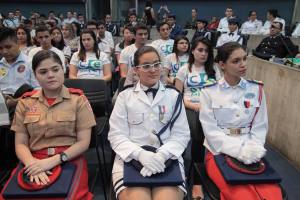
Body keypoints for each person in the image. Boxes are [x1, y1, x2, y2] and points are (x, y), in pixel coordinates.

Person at [0, 50, 96, 200]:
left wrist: (53, 161)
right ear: (35, 75)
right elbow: (20, 143)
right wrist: (33, 165)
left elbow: (84, 142)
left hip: (69, 158)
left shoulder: (78, 100)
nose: (50, 75)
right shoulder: (25, 102)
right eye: (43, 72)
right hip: (33, 160)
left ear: (63, 69)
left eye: (55, 69)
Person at [199, 42, 283, 200]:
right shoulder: (209, 91)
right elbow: (211, 132)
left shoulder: (256, 89)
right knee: (242, 195)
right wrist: (238, 150)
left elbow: (260, 125)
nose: (243, 64)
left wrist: (253, 149)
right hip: (219, 152)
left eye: (244, 59)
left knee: (272, 195)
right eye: (236, 61)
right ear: (222, 65)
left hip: (252, 151)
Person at [108, 45, 190, 200]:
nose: (153, 70)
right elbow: (116, 135)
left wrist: (162, 155)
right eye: (146, 66)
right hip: (130, 157)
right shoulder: (125, 97)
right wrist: (140, 154)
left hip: (168, 157)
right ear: (136, 70)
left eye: (156, 64)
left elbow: (181, 135)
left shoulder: (174, 96)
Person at [175, 37, 221, 200]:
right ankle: (197, 183)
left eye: (207, 51)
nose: (203, 54)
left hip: (210, 110)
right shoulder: (184, 70)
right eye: (200, 50)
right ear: (193, 51)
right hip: (189, 107)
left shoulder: (214, 69)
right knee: (198, 131)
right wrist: (196, 107)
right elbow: (177, 96)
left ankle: (216, 173)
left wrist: (209, 108)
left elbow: (219, 94)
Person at [0, 27, 38, 108]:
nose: (4, 51)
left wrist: (17, 101)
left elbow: (38, 90)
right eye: (0, 48)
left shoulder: (30, 63)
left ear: (17, 43)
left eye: (8, 47)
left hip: (25, 104)